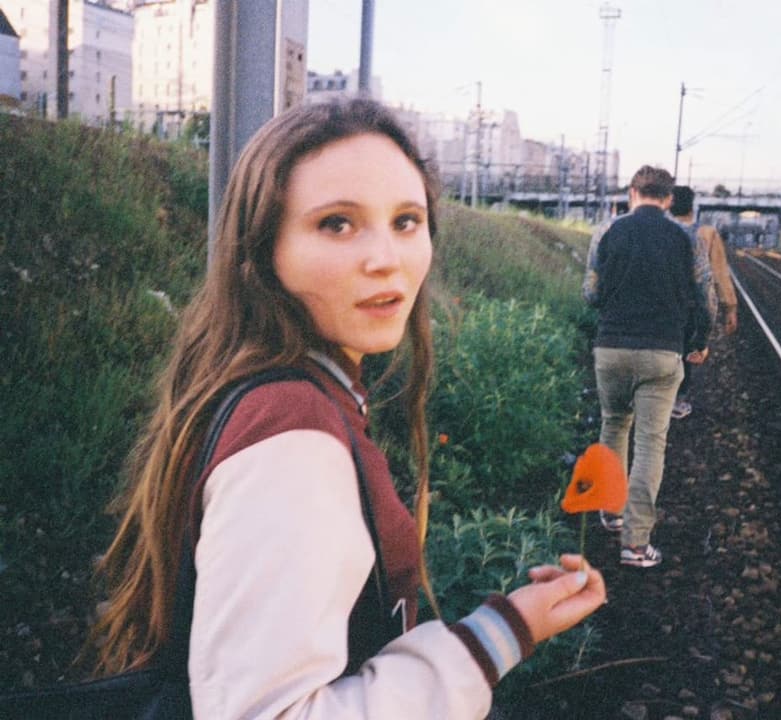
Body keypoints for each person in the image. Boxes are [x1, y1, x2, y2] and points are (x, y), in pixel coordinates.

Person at [89, 99, 606, 719]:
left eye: (407, 221)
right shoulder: (291, 439)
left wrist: (511, 622)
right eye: (337, 223)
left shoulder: (279, 389)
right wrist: (494, 640)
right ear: (262, 251)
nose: (386, 257)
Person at [582, 166, 711, 567]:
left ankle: (610, 511)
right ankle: (636, 544)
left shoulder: (606, 232)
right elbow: (704, 298)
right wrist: (700, 343)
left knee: (614, 424)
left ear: (633, 192)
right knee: (651, 444)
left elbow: (590, 293)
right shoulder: (687, 238)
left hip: (612, 348)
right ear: (669, 199)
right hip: (661, 352)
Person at [669, 185, 738, 420]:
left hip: (663, 302)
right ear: (693, 206)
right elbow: (720, 272)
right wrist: (730, 307)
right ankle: (679, 399)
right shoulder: (706, 233)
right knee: (687, 350)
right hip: (692, 305)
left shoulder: (662, 230)